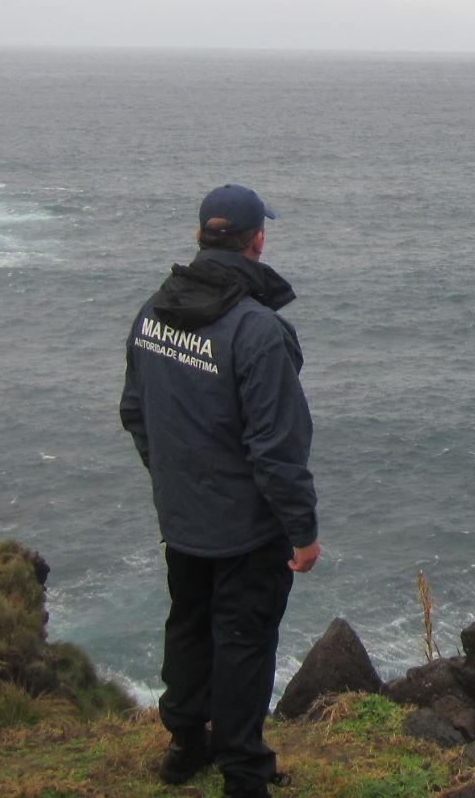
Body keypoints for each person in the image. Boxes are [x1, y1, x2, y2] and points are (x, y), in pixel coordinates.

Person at [121, 184, 320, 798]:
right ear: (257, 240)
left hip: (182, 518)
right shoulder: (257, 331)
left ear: (201, 238)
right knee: (243, 642)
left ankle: (185, 746)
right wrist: (303, 530)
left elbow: (135, 412)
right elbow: (276, 447)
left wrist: (176, 482)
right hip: (246, 529)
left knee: (188, 625)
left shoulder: (154, 313)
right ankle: (243, 773)